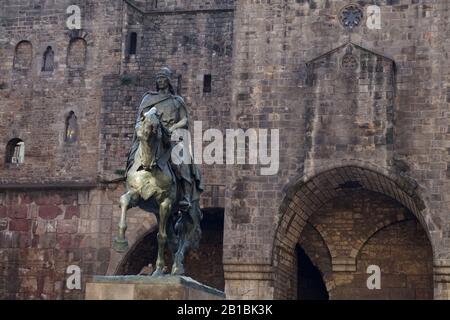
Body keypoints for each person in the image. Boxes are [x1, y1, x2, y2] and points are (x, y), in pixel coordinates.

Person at [126, 67, 203, 212]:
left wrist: (174, 127)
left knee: (183, 160)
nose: (160, 81)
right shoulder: (148, 98)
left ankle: (186, 197)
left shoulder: (176, 101)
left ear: (169, 80)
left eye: (163, 78)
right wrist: (138, 129)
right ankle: (129, 178)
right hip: (150, 133)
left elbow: (185, 120)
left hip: (171, 135)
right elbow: (140, 118)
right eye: (158, 78)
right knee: (134, 154)